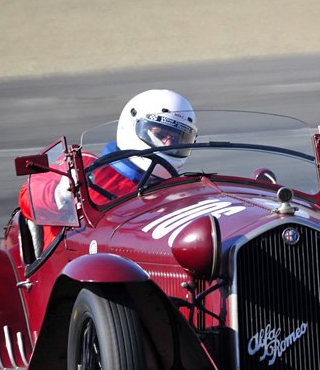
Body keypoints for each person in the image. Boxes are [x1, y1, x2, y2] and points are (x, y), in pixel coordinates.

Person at [18, 89, 197, 251]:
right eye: (159, 135)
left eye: (177, 139)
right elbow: (28, 198)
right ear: (131, 125)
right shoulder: (83, 165)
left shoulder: (178, 192)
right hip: (74, 267)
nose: (168, 144)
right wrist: (59, 194)